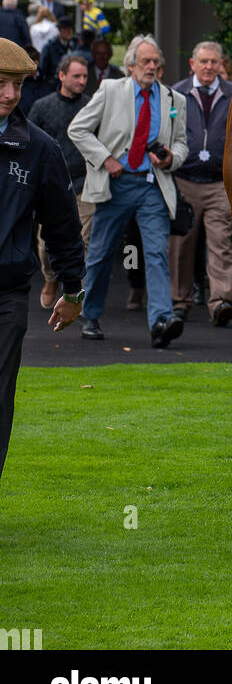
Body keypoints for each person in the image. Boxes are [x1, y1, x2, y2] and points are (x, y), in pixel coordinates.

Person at [67, 34, 189, 347]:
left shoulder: (175, 100)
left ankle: (161, 320)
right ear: (131, 66)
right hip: (116, 185)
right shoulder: (110, 90)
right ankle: (90, 315)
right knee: (100, 253)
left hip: (152, 186)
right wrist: (105, 159)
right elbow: (77, 129)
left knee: (157, 254)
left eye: (155, 62)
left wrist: (172, 158)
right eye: (145, 62)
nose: (152, 66)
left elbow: (181, 144)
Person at [0, 39, 86, 483]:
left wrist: (73, 291)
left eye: (16, 84)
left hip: (7, 297)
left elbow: (63, 230)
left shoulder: (41, 149)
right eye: (0, 84)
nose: (10, 95)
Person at [169, 41, 232, 326]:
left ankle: (221, 302)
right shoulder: (177, 92)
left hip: (219, 182)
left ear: (221, 64)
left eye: (214, 62)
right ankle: (179, 300)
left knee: (221, 242)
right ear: (193, 65)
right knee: (181, 243)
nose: (209, 67)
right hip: (184, 179)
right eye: (203, 62)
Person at [27, 53, 94, 310]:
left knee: (81, 239)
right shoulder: (43, 106)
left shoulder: (91, 105)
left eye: (85, 77)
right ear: (61, 75)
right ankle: (50, 278)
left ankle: (74, 290)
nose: (81, 81)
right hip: (50, 185)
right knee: (45, 243)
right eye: (76, 76)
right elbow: (28, 140)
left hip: (83, 182)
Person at [38, 15, 78, 86]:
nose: (69, 32)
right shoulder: (49, 47)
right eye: (66, 29)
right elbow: (42, 69)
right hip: (53, 84)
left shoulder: (75, 45)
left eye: (71, 29)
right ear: (60, 30)